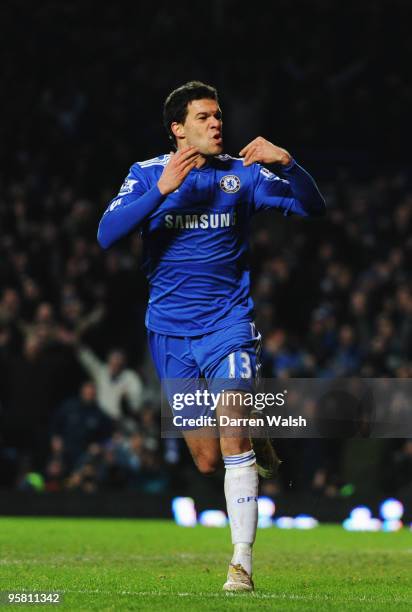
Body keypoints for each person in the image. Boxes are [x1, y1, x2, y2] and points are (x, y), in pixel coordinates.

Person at [97, 81, 325, 591]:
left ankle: (240, 565)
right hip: (170, 334)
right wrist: (160, 193)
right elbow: (106, 235)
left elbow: (312, 209)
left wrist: (288, 163)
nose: (217, 123)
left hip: (228, 325)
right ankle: (248, 432)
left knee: (232, 438)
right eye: (203, 117)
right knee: (205, 459)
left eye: (218, 115)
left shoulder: (242, 175)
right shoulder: (147, 175)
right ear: (178, 128)